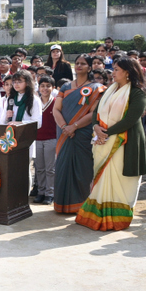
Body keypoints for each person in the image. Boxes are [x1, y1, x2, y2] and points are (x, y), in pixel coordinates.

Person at [75, 59, 146, 231]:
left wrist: (105, 133)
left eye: (116, 70)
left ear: (127, 72)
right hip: (103, 140)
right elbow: (96, 112)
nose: (113, 73)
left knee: (122, 181)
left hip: (126, 143)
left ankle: (117, 219)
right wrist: (96, 127)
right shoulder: (110, 90)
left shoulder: (138, 93)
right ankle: (97, 216)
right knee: (103, 179)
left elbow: (130, 120)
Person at [52, 55, 104, 215]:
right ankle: (61, 205)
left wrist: (74, 126)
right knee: (62, 167)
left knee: (82, 169)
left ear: (90, 67)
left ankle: (81, 204)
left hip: (82, 133)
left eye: (83, 64)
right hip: (64, 133)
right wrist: (64, 127)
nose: (79, 66)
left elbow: (93, 112)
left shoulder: (97, 88)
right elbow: (56, 109)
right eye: (77, 63)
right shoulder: (65, 86)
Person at [33, 76, 58, 205]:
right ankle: (41, 192)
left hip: (51, 139)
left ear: (53, 88)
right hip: (37, 139)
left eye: (48, 86)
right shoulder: (35, 102)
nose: (45, 88)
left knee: (50, 168)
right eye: (42, 86)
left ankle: (50, 193)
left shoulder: (56, 102)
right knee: (39, 168)